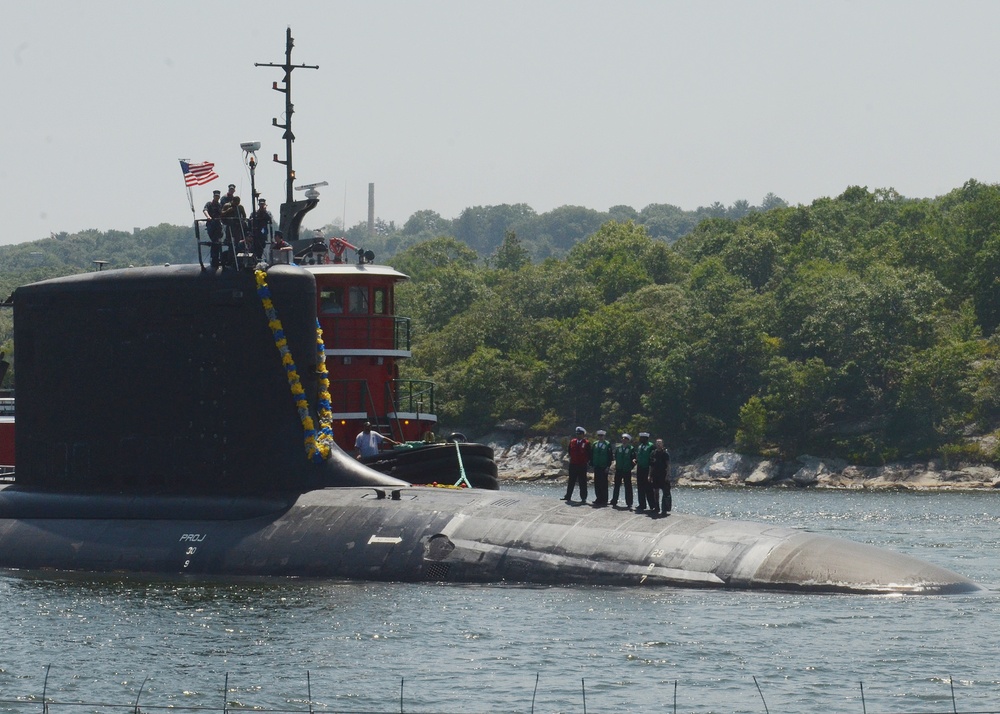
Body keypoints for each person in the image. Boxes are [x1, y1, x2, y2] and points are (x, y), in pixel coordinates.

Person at [563, 426, 591, 502]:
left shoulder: (586, 443)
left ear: (583, 435)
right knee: (571, 481)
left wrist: (585, 461)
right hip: (573, 464)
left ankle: (583, 497)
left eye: (580, 434)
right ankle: (568, 496)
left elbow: (589, 454)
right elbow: (569, 451)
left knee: (582, 482)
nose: (578, 435)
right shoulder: (572, 441)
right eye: (577, 434)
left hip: (582, 465)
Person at [611, 433, 635, 508]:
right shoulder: (618, 448)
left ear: (628, 440)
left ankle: (629, 502)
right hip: (619, 469)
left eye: (625, 439)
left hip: (626, 470)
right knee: (616, 486)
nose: (623, 440)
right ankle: (614, 501)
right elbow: (616, 457)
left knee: (628, 486)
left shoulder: (631, 448)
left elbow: (634, 459)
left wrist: (630, 467)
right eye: (623, 438)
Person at [589, 429, 613, 506]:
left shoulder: (607, 444)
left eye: (602, 436)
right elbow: (592, 454)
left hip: (604, 466)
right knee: (597, 483)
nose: (600, 437)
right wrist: (591, 463)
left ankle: (604, 499)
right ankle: (598, 498)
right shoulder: (595, 444)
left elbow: (610, 456)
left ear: (604, 436)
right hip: (597, 465)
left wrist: (608, 466)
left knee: (604, 483)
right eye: (599, 436)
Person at [650, 437, 671, 516]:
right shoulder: (653, 453)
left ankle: (664, 509)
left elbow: (668, 465)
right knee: (656, 491)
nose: (658, 444)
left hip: (663, 475)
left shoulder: (665, 453)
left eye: (660, 443)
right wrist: (650, 475)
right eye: (657, 443)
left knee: (665, 492)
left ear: (662, 444)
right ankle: (656, 507)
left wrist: (667, 475)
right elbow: (651, 466)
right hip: (655, 474)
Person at [202, 189, 223, 268]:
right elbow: (205, 210)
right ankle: (214, 258)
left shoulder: (219, 205)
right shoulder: (209, 204)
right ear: (213, 196)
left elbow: (222, 213)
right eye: (216, 196)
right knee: (215, 241)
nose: (217, 197)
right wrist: (208, 217)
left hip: (218, 226)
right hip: (211, 225)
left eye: (218, 196)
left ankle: (216, 258)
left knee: (218, 242)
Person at [634, 432, 654, 512]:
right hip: (640, 468)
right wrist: (636, 460)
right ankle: (642, 504)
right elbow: (639, 456)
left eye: (641, 438)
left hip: (647, 468)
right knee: (640, 487)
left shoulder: (651, 446)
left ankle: (652, 505)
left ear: (645, 438)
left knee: (648, 488)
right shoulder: (640, 446)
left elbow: (652, 458)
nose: (640, 439)